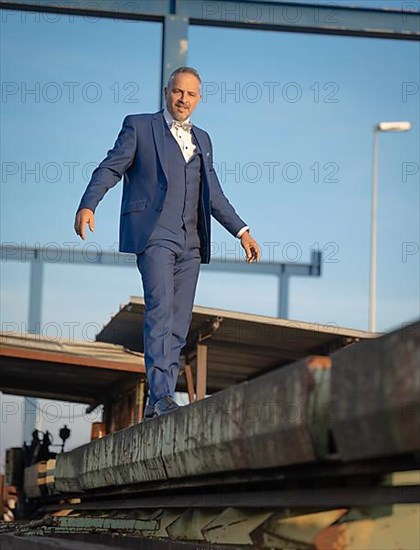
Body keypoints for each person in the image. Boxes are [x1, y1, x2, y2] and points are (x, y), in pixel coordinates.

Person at [74, 67, 261, 419]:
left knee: (178, 321)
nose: (183, 99)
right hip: (154, 234)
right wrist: (89, 204)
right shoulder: (139, 127)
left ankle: (156, 403)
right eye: (178, 92)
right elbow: (110, 167)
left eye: (190, 94)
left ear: (199, 99)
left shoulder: (204, 140)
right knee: (159, 311)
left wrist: (242, 232)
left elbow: (214, 195)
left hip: (191, 242)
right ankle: (161, 395)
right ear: (166, 92)